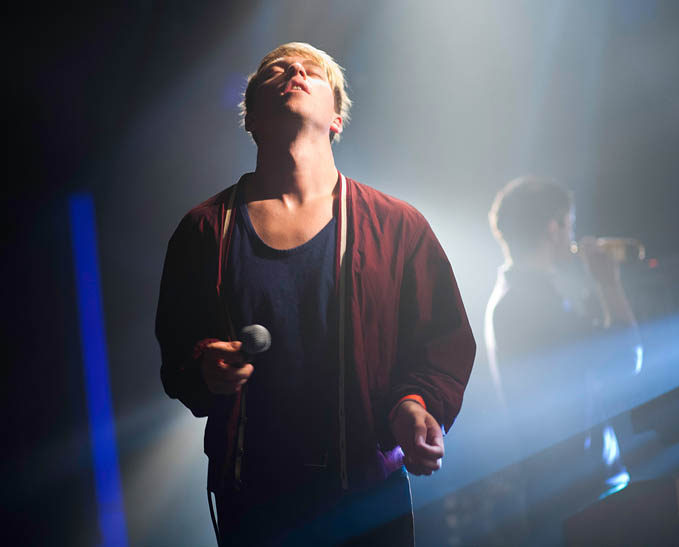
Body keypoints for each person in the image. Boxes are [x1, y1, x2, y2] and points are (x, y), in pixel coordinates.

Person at [156, 42, 475, 546]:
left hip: (367, 495)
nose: (295, 70)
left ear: (336, 119)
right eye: (276, 70)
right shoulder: (203, 230)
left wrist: (417, 403)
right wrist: (204, 368)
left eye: (313, 70)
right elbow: (176, 352)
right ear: (252, 119)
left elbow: (442, 341)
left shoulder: (397, 225)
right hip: (254, 500)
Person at [484, 177, 641, 511]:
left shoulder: (518, 298)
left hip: (567, 488)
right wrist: (609, 284)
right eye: (569, 224)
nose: (572, 234)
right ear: (552, 228)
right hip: (580, 493)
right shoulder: (528, 302)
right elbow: (627, 358)